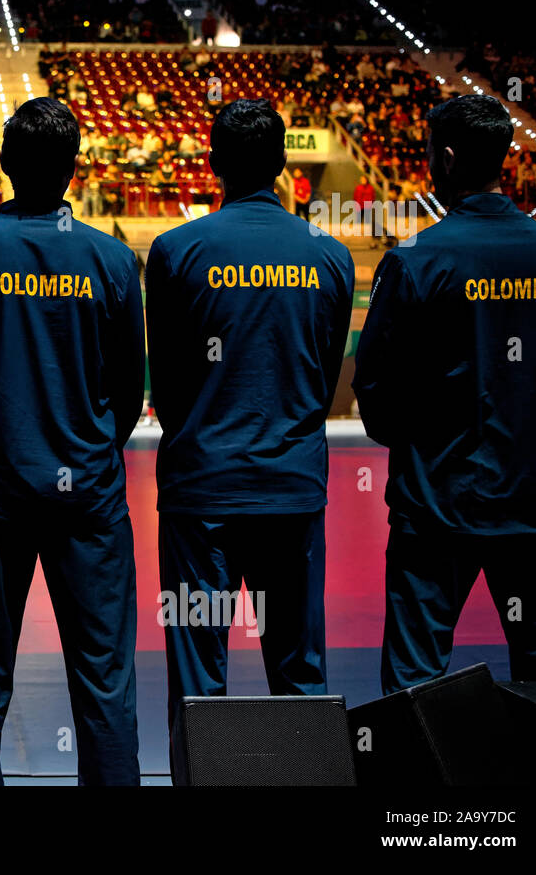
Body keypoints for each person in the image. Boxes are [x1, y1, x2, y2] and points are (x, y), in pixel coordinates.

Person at [0, 97, 145, 785]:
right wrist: (87, 449)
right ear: (75, 169)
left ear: (3, 164)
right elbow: (128, 391)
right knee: (105, 687)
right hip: (88, 497)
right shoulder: (111, 260)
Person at [144, 100, 353, 740]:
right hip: (291, 485)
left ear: (213, 164)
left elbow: (170, 382)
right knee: (299, 677)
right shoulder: (331, 255)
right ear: (283, 165)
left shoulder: (176, 251)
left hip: (201, 491)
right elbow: (322, 375)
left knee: (198, 681)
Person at [353, 94, 536, 692]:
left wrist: (421, 445)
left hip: (436, 506)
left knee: (415, 683)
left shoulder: (417, 261)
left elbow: (374, 389)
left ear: (444, 159)